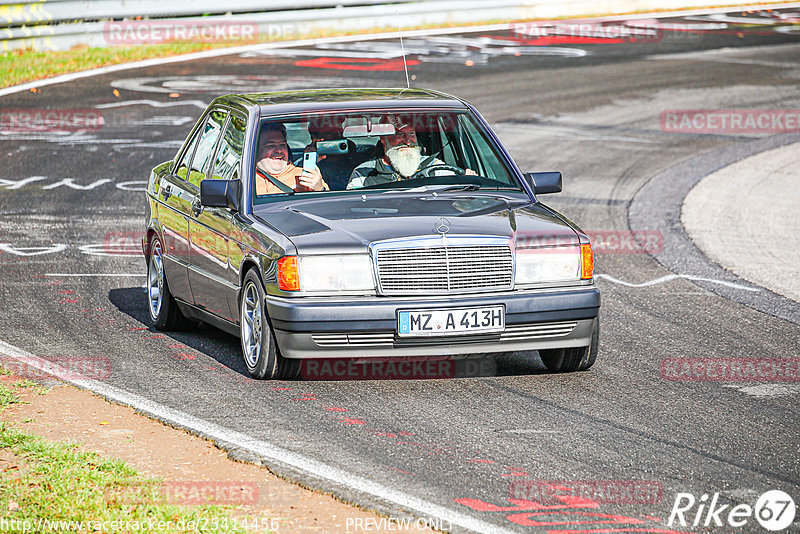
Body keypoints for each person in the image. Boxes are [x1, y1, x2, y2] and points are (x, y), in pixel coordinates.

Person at [346, 114, 474, 190]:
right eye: (400, 134)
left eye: (411, 133)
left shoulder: (434, 166)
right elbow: (354, 209)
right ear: (383, 139)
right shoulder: (364, 174)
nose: (408, 141)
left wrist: (468, 182)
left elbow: (456, 197)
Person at [255, 123, 328, 195]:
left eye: (282, 145)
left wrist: (320, 189)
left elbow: (327, 203)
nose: (279, 150)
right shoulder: (247, 179)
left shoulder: (306, 175)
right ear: (256, 150)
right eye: (271, 145)